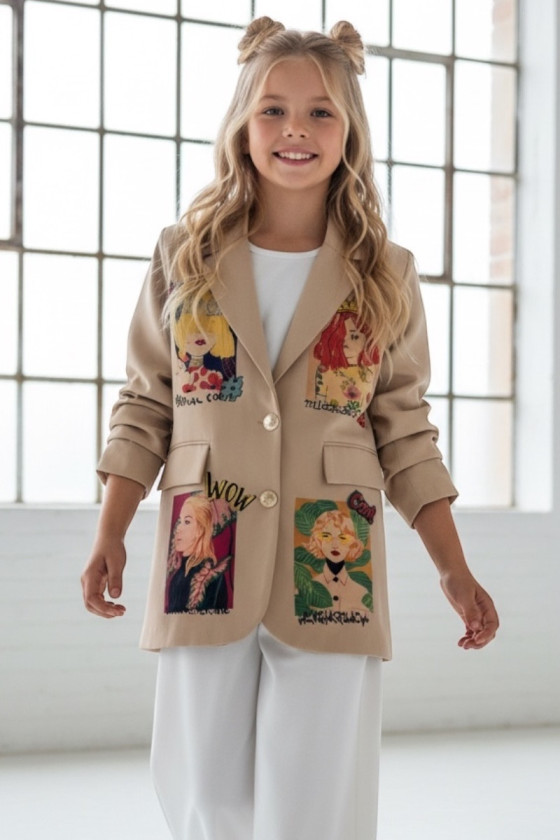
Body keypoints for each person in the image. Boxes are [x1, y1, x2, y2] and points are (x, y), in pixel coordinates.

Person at [81, 16, 499, 840]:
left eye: (320, 112)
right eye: (273, 110)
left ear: (350, 133)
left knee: (315, 801)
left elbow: (405, 432)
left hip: (330, 552)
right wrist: (110, 531)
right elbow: (147, 403)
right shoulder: (184, 255)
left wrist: (452, 568)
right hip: (206, 544)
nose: (295, 129)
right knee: (203, 793)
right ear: (242, 124)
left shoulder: (384, 273)